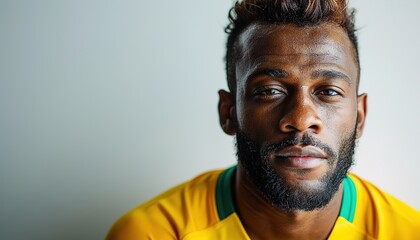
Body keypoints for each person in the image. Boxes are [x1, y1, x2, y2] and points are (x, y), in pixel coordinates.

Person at [106, 0, 420, 239]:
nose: (301, 118)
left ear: (360, 117)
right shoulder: (153, 233)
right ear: (228, 112)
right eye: (269, 91)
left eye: (328, 92)